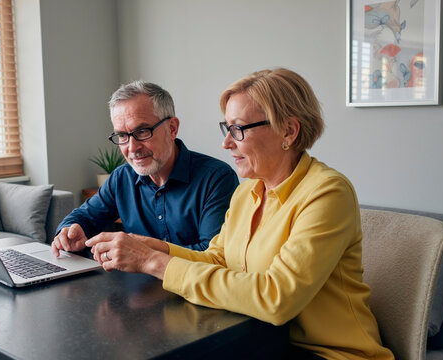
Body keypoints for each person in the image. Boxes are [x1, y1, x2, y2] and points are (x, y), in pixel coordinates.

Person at [86, 69, 395, 359]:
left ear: (288, 130)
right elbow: (219, 259)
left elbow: (277, 298)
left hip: (328, 352)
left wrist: (153, 262)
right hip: (262, 342)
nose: (226, 142)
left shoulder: (328, 193)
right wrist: (150, 247)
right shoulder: (248, 192)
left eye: (238, 129)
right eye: (227, 128)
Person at [52, 81, 239, 256]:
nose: (132, 148)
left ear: (172, 128)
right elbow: (84, 216)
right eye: (122, 136)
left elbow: (211, 254)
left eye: (142, 131)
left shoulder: (217, 178)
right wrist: (69, 230)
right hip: (136, 288)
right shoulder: (122, 178)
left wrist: (143, 253)